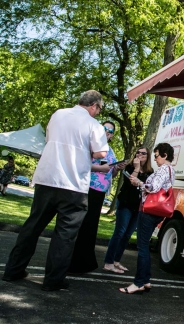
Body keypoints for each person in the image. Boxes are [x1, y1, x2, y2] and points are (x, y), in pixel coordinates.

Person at [2, 90, 108, 291]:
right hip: (73, 185)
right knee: (64, 235)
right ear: (94, 106)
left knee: (32, 226)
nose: (98, 113)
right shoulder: (94, 125)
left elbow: (51, 139)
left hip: (47, 177)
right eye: (99, 109)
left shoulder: (58, 114)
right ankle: (52, 280)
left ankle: (13, 270)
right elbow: (100, 152)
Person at [68, 121, 127, 274]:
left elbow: (110, 173)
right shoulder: (91, 145)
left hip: (100, 192)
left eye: (111, 130)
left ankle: (84, 262)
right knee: (82, 225)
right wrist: (100, 168)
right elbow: (81, 164)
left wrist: (116, 169)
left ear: (112, 135)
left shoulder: (111, 150)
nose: (108, 131)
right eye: (105, 128)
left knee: (91, 227)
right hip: (88, 189)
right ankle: (71, 261)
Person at [119, 142, 175, 294]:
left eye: (156, 156)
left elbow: (153, 187)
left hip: (149, 212)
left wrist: (139, 183)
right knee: (145, 247)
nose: (155, 159)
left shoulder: (163, 169)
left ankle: (138, 283)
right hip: (157, 213)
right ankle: (146, 280)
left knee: (142, 247)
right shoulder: (171, 170)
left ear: (164, 155)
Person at [103, 146, 154, 274]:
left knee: (127, 235)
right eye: (138, 152)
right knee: (119, 232)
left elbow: (147, 188)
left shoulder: (150, 172)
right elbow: (131, 182)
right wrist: (136, 168)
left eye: (143, 153)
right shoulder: (129, 167)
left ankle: (116, 261)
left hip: (138, 207)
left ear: (147, 157)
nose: (140, 154)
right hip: (125, 203)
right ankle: (108, 263)